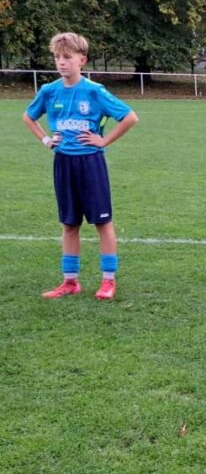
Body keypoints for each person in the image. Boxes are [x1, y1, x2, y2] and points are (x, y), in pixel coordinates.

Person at [22, 32, 139, 300]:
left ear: (82, 60)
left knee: (103, 222)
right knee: (69, 223)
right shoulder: (49, 91)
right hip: (63, 162)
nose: (61, 62)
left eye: (67, 57)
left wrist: (103, 140)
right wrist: (46, 140)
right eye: (57, 57)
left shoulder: (94, 91)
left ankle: (108, 281)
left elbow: (130, 117)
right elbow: (28, 116)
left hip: (90, 163)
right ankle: (70, 281)